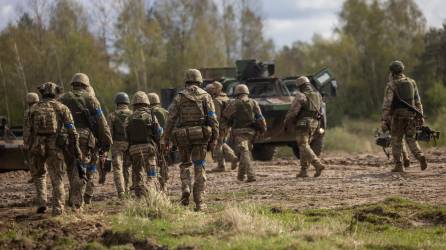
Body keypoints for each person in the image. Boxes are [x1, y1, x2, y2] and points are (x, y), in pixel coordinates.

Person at [163, 69, 218, 211]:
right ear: (199, 80)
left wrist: (166, 138)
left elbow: (170, 119)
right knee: (199, 166)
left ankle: (186, 188)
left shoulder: (179, 97)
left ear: (186, 80)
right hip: (201, 136)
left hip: (183, 137)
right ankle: (199, 202)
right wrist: (215, 138)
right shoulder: (206, 97)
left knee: (185, 164)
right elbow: (213, 119)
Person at [59, 73, 112, 209]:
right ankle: (77, 203)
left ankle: (73, 198)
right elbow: (102, 123)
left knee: (71, 167)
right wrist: (106, 141)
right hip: (84, 138)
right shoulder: (91, 99)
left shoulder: (62, 98)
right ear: (86, 84)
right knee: (81, 169)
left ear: (73, 84)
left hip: (65, 137)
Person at [29, 82, 81, 216]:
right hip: (55, 147)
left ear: (42, 93)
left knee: (39, 175)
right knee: (57, 178)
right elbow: (72, 130)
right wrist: (76, 148)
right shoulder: (62, 108)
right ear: (56, 92)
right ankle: (58, 210)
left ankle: (42, 202)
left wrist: (30, 148)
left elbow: (27, 132)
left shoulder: (33, 109)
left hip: (37, 146)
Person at [381, 60, 427, 172]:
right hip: (412, 116)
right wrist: (420, 115)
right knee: (411, 139)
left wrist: (384, 120)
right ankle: (420, 156)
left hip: (397, 117)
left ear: (392, 72)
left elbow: (387, 105)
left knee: (396, 140)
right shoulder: (412, 82)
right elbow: (418, 101)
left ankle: (399, 165)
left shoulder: (391, 85)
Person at [221, 84, 266, 182]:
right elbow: (260, 118)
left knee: (244, 152)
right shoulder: (253, 102)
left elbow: (225, 117)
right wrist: (263, 129)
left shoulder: (234, 103)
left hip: (239, 132)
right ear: (247, 92)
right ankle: (240, 176)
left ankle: (251, 175)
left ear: (237, 93)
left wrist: (223, 130)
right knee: (244, 151)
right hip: (251, 133)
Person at [284, 76, 327, 178]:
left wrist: (286, 122)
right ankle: (304, 171)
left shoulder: (301, 96)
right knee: (304, 145)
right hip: (315, 123)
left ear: (300, 86)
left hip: (304, 123)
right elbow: (321, 111)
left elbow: (293, 112)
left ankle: (317, 164)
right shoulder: (318, 95)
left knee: (303, 145)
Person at [126, 91, 162, 198]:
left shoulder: (129, 118)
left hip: (134, 150)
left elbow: (125, 135)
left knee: (138, 176)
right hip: (148, 149)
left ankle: (140, 199)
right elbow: (159, 132)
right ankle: (150, 192)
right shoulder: (150, 116)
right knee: (152, 176)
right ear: (147, 103)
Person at [206, 81, 238, 172]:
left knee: (217, 145)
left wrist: (214, 128)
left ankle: (221, 165)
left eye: (212, 89)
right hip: (227, 126)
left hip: (220, 126)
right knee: (221, 143)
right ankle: (232, 157)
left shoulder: (216, 100)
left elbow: (216, 116)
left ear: (216, 89)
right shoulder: (226, 98)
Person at [108, 92, 133, 198]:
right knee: (127, 167)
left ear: (117, 102)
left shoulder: (112, 115)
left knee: (117, 168)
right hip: (130, 144)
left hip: (117, 144)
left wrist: (109, 145)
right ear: (127, 102)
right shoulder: (132, 114)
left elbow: (109, 132)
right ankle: (127, 189)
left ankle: (121, 192)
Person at [147, 92, 169, 191]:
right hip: (163, 140)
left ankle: (153, 184)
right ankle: (164, 184)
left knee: (152, 163)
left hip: (151, 142)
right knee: (163, 162)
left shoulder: (146, 112)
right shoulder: (165, 111)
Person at [23, 92, 40, 183]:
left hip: (32, 139)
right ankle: (41, 175)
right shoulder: (42, 108)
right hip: (43, 138)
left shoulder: (28, 111)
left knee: (32, 158)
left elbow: (27, 128)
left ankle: (35, 176)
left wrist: (25, 141)